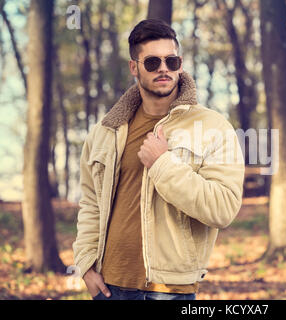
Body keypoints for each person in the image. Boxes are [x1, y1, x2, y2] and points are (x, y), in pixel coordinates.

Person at [72, 19, 245, 300]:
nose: (163, 68)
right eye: (152, 62)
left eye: (171, 61)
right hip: (109, 287)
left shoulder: (212, 126)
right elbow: (91, 203)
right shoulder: (106, 132)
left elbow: (223, 209)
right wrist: (85, 264)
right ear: (134, 68)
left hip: (168, 290)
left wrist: (163, 164)